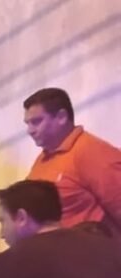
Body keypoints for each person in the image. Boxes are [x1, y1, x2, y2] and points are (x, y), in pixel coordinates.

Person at [22, 88, 121, 233]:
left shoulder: (91, 152)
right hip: (53, 252)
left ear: (61, 117)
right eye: (28, 123)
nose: (30, 130)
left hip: (90, 252)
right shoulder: (43, 159)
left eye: (36, 122)